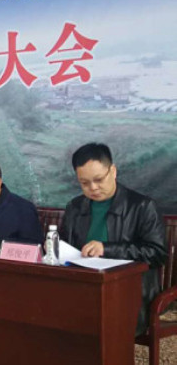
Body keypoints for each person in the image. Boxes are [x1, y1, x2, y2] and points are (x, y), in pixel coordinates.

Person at [60, 143, 166, 336]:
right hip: (84, 290)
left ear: (113, 171)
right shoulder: (75, 207)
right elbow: (64, 248)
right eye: (84, 183)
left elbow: (157, 254)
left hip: (129, 294)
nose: (93, 188)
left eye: (99, 179)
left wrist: (106, 249)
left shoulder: (142, 207)